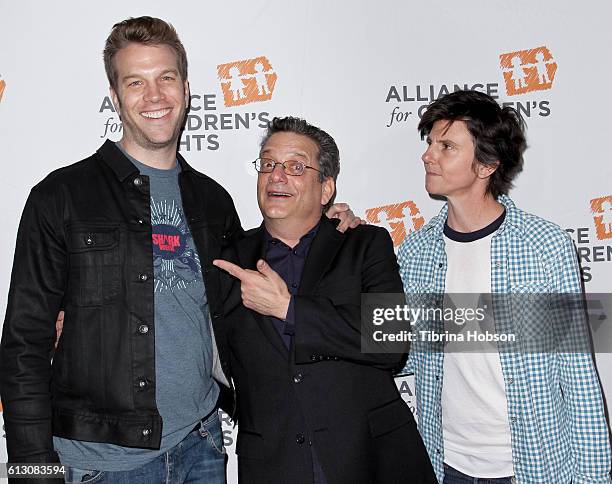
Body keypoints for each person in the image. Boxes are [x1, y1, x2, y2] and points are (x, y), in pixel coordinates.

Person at [0, 17, 357, 484]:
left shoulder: (212, 201)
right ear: (115, 97)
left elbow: (254, 288)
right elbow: (24, 341)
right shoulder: (61, 196)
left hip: (203, 447)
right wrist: (31, 470)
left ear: (186, 90)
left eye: (166, 78)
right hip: (99, 464)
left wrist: (325, 224)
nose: (154, 96)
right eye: (136, 82)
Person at [397, 89, 611, 483]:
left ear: (486, 165)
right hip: (446, 466)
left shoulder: (545, 247)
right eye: (430, 143)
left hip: (531, 466)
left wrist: (595, 477)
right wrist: (350, 247)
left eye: (447, 146)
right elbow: (401, 355)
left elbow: (577, 373)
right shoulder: (415, 251)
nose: (428, 155)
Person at [213, 116, 436, 484]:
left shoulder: (365, 245)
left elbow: (391, 342)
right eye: (268, 164)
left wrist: (289, 309)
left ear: (325, 187)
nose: (277, 176)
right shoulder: (226, 261)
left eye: (296, 166)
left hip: (370, 460)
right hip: (273, 464)